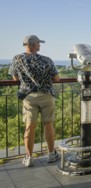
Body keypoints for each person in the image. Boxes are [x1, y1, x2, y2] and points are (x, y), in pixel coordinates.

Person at [9, 35, 60, 167]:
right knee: (48, 124)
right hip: (46, 95)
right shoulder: (46, 60)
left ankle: (29, 157)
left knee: (30, 126)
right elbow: (57, 78)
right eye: (38, 43)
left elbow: (14, 78)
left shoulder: (17, 59)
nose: (40, 45)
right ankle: (51, 154)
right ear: (32, 45)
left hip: (29, 96)